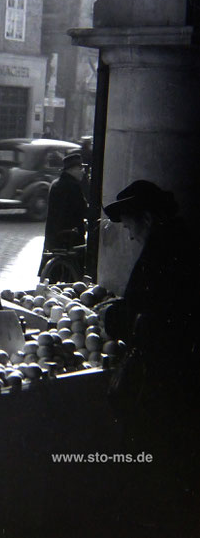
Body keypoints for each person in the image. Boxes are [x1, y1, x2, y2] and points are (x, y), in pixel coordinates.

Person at [103, 180, 200, 533]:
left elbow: (151, 320)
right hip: (181, 376)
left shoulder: (162, 252)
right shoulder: (179, 240)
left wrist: (113, 318)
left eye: (128, 226)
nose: (128, 236)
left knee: (152, 464)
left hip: (164, 379)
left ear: (145, 219)